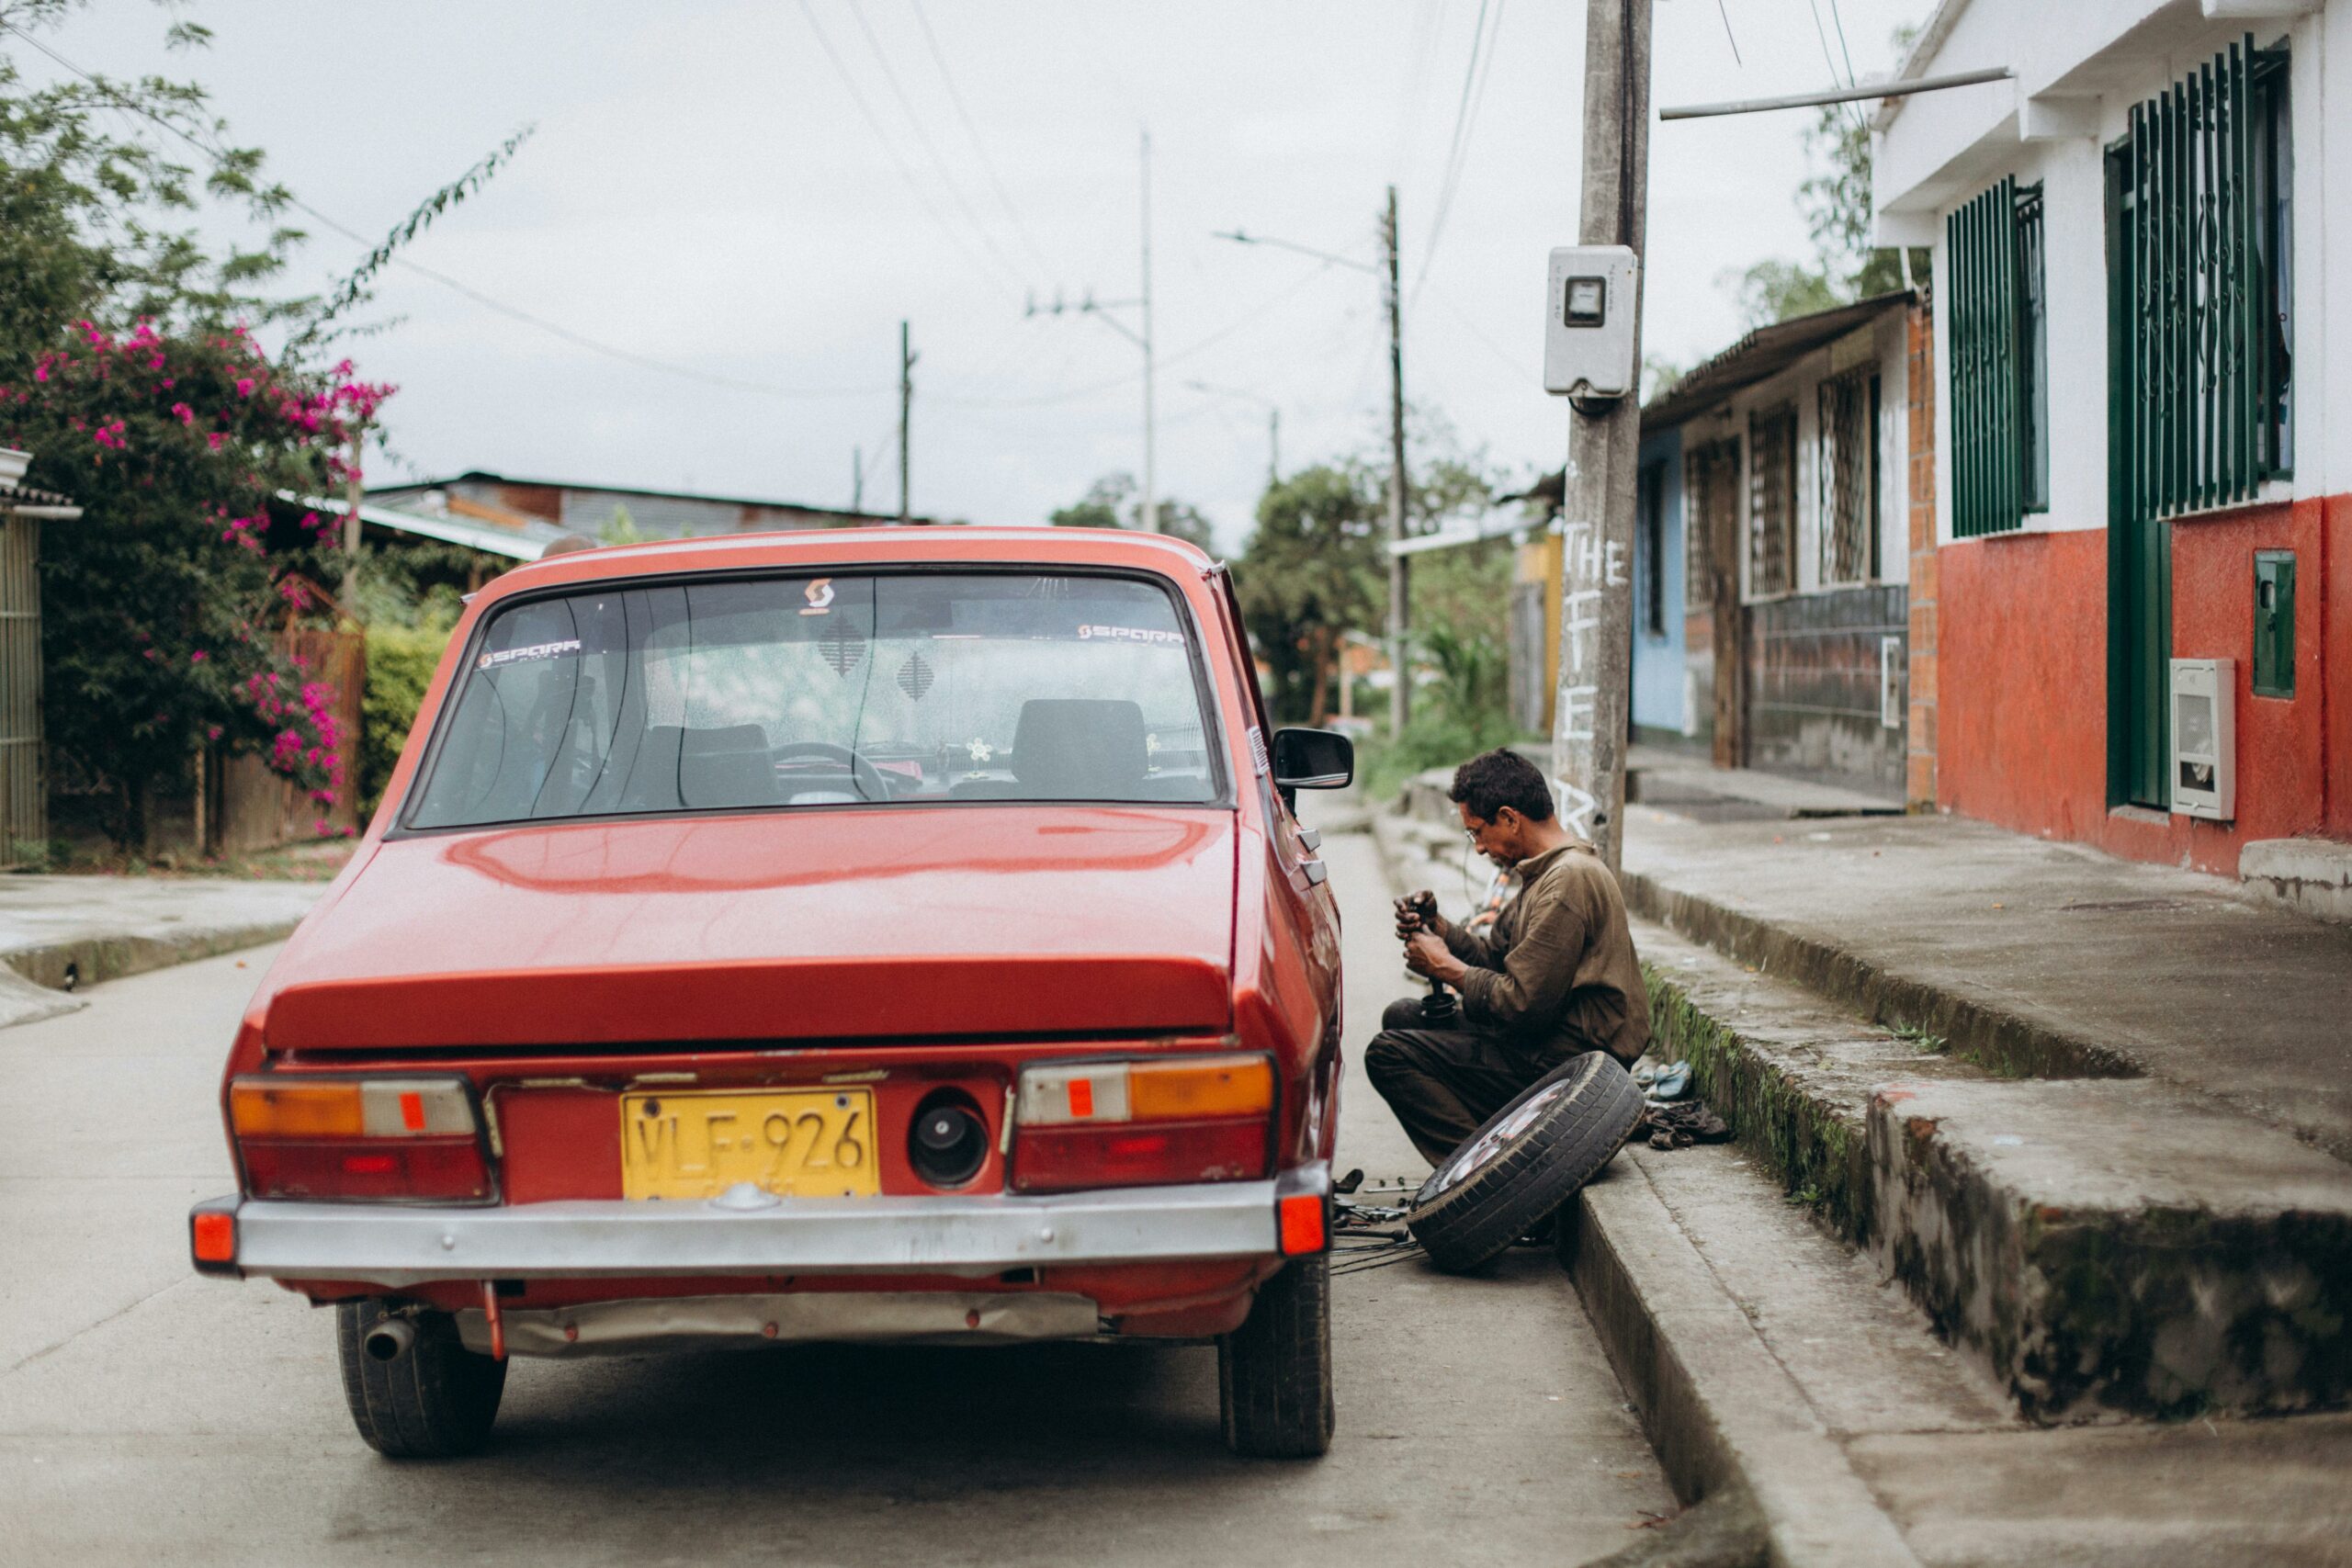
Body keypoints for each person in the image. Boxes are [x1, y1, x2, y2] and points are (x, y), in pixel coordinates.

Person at [1364, 748, 1650, 1167]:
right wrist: (1439, 928)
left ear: (1510, 818)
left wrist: (1444, 966)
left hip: (1572, 1063)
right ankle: (1495, 1150)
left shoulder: (1567, 882)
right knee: (1404, 1016)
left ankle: (1490, 1179)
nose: (1478, 848)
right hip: (1547, 1042)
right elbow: (1497, 960)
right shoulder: (1546, 872)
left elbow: (1521, 1005)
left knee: (1388, 1053)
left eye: (1478, 832)